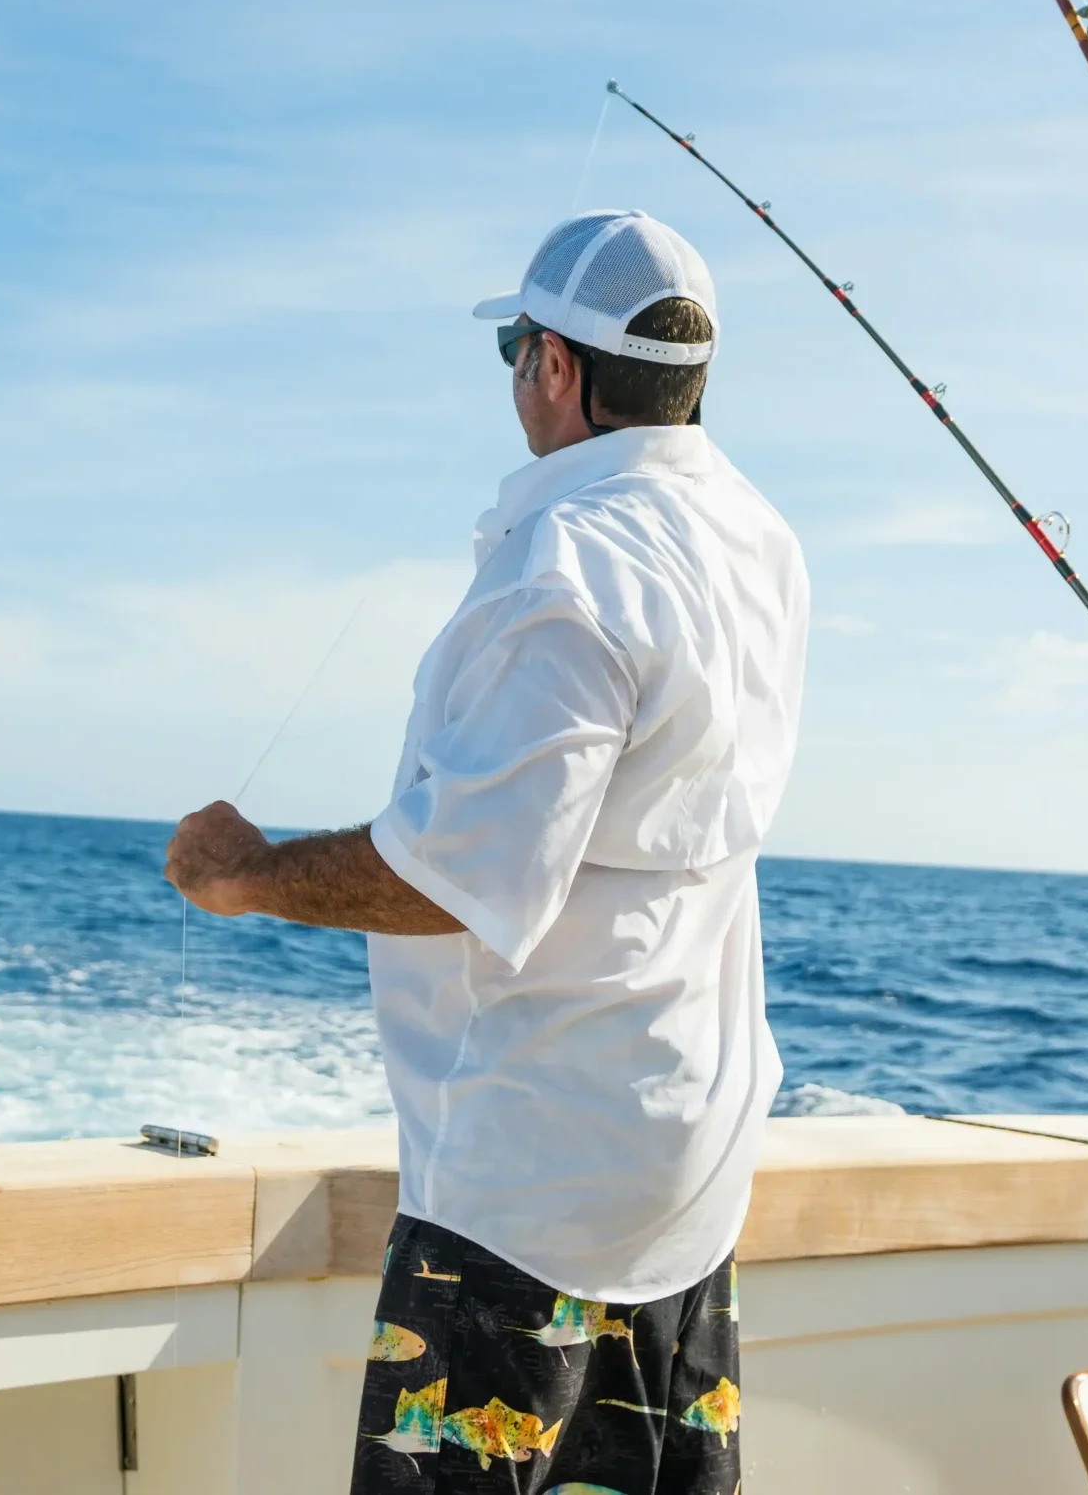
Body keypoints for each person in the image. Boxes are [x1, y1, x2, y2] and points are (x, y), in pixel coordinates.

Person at [165, 209, 810, 1495]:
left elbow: (453, 875)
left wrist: (241, 875)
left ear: (559, 369)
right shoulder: (760, 545)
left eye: (518, 344)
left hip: (526, 1200)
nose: (516, 370)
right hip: (687, 1180)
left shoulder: (568, 569)